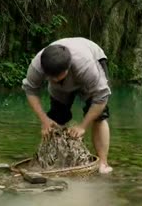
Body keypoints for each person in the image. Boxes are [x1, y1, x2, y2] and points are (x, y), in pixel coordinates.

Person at [22, 37, 113, 174]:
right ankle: (55, 161)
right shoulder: (37, 65)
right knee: (57, 117)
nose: (54, 80)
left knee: (99, 116)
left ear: (68, 68)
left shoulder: (86, 66)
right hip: (63, 71)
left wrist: (83, 126)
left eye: (59, 77)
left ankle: (103, 163)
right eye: (51, 78)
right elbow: (30, 90)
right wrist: (44, 120)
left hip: (93, 59)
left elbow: (101, 97)